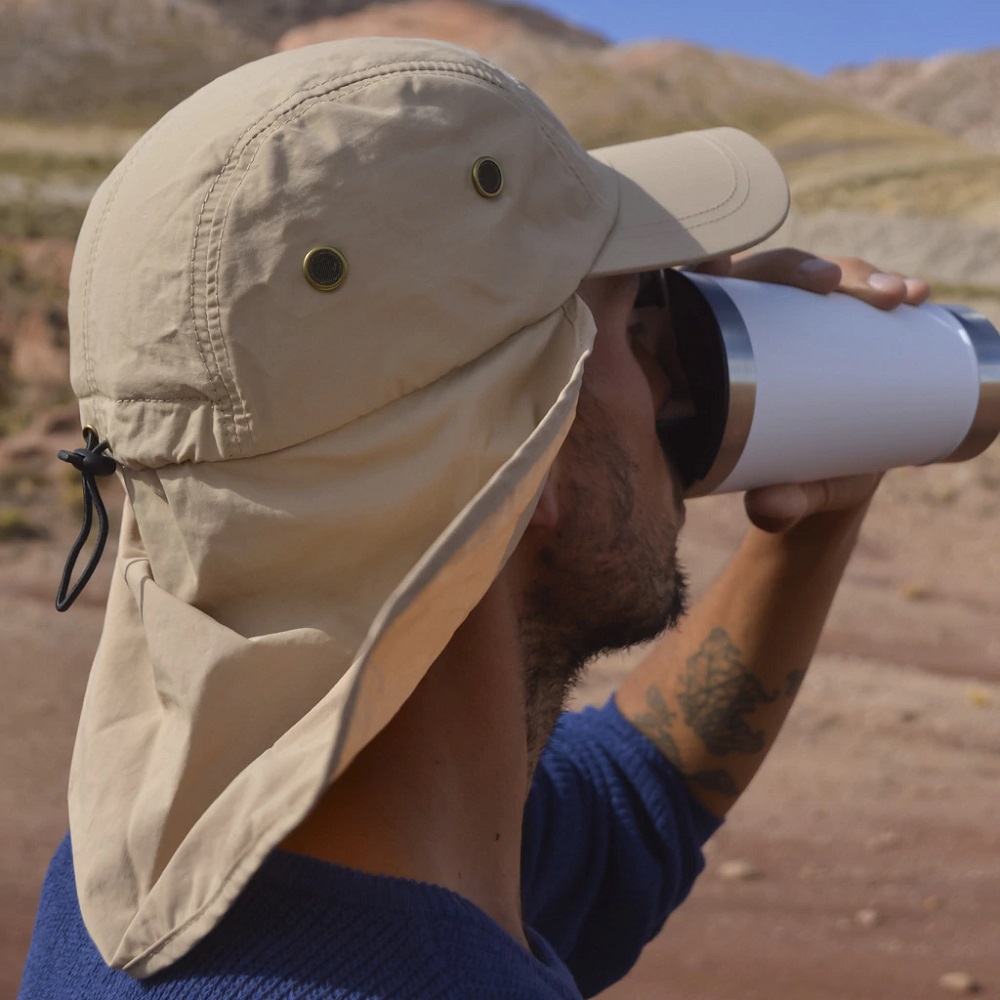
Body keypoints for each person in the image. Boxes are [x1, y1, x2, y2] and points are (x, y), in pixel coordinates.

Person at [18, 36, 929, 999]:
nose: (669, 375)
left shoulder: (143, 868)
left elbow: (630, 805)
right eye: (633, 322)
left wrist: (830, 492)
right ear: (521, 459)